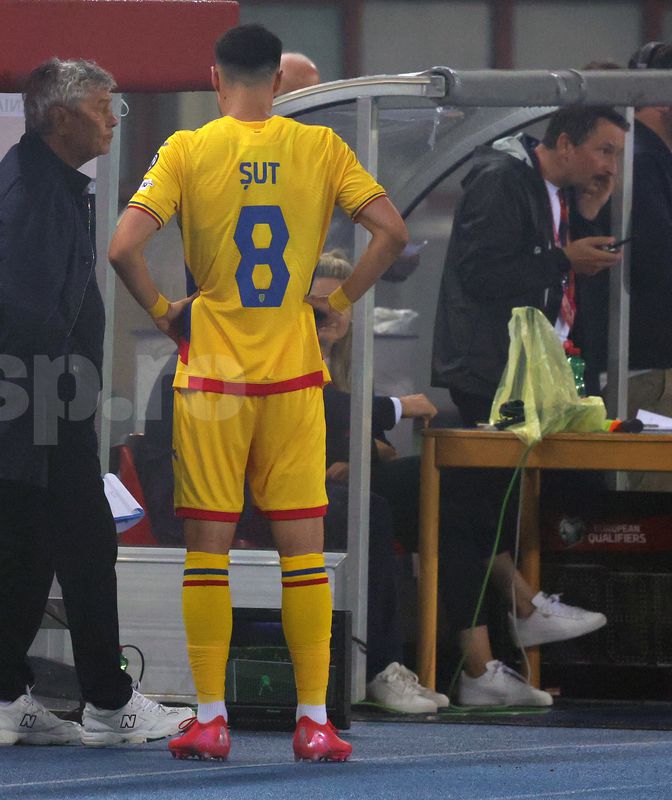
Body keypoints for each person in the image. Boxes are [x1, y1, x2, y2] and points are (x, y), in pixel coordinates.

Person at [109, 23, 408, 761]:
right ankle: (314, 720)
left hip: (211, 376)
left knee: (208, 553)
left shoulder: (187, 149)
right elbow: (391, 232)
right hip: (295, 378)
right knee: (302, 553)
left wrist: (161, 313)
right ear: (278, 82)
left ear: (215, 79)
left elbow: (122, 247)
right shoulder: (320, 149)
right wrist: (340, 303)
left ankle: (210, 717)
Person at [0, 57, 191, 748]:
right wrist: (67, 402)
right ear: (60, 118)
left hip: (31, 399)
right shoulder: (34, 193)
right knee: (85, 546)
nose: (114, 117)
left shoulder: (47, 181)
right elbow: (32, 317)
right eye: (101, 106)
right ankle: (109, 702)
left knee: (27, 552)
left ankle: (4, 696)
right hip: (37, 401)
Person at [431, 106, 622, 706]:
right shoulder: (501, 180)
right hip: (490, 373)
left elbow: (544, 282)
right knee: (475, 514)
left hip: (521, 375)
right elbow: (484, 273)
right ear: (564, 143)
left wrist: (581, 227)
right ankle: (491, 648)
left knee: (495, 512)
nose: (609, 166)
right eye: (605, 152)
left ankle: (500, 646)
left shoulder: (547, 193)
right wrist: (565, 257)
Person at [309, 252, 447, 714]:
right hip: (286, 490)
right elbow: (327, 414)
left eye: (342, 302)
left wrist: (360, 454)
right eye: (319, 302)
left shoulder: (350, 370)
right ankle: (379, 666)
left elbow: (375, 445)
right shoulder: (287, 357)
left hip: (340, 482)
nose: (332, 312)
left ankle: (476, 661)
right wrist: (393, 410)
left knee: (433, 484)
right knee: (369, 508)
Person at [624, 43, 672, 490]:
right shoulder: (641, 161)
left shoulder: (652, 159)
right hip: (649, 372)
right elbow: (658, 261)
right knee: (650, 496)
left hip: (651, 366)